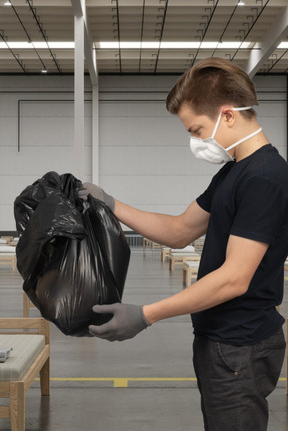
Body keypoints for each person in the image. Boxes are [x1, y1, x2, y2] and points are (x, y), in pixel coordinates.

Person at [78, 57, 288, 431]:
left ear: (228, 116)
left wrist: (146, 315)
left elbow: (234, 278)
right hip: (220, 340)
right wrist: (111, 203)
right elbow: (180, 230)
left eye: (197, 130)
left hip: (240, 344)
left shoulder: (264, 177)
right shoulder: (235, 171)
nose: (195, 141)